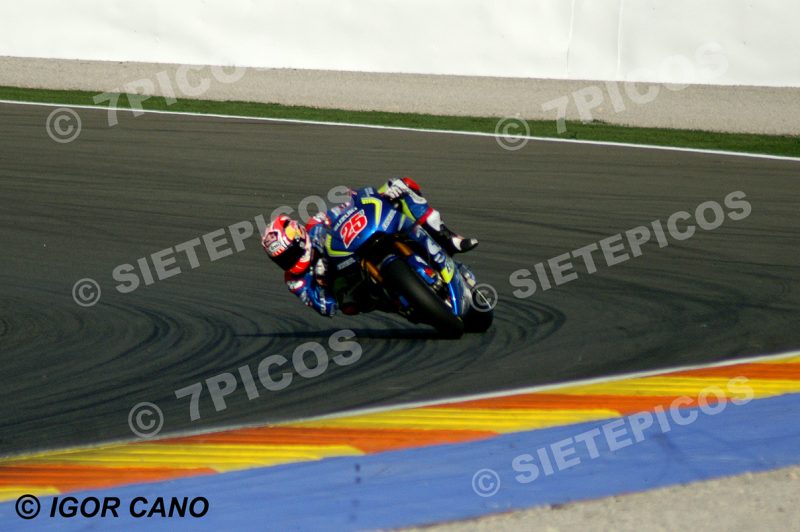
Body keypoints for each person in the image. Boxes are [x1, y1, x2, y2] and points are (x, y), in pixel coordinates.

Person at [261, 177, 478, 316]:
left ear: (299, 237)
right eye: (281, 260)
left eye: (288, 255)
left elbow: (347, 206)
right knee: (349, 305)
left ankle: (448, 238)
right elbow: (326, 308)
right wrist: (322, 280)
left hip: (361, 241)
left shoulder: (315, 225)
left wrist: (376, 195)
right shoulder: (294, 280)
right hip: (356, 283)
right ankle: (401, 300)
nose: (287, 262)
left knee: (401, 185)